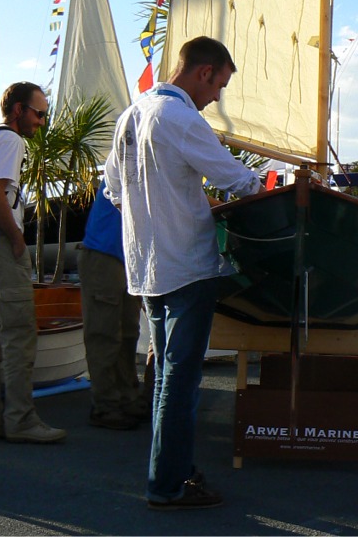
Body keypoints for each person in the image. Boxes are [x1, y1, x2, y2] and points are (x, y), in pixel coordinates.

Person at [104, 36, 263, 511]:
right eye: (221, 85)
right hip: (188, 266)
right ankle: (168, 483)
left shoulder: (130, 115)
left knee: (164, 376)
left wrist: (175, 204)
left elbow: (114, 190)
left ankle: (168, 471)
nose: (218, 97)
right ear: (205, 72)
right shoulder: (180, 117)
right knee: (180, 378)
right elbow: (239, 179)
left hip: (147, 264)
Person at [0, 81, 66, 444]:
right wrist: (18, 240)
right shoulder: (10, 141)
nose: (41, 121)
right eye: (38, 113)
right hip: (1, 251)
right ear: (19, 110)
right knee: (19, 335)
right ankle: (21, 420)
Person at [75, 179, 148, 431]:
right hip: (105, 254)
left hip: (126, 256)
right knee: (104, 335)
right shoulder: (128, 157)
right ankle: (106, 405)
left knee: (128, 333)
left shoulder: (144, 155)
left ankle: (125, 397)